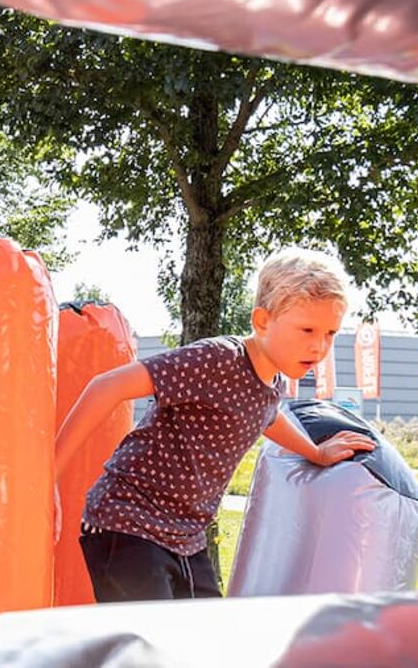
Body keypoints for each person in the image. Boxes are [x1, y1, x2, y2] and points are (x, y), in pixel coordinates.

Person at [55, 247, 376, 603]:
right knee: (149, 637)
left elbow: (268, 416)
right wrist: (48, 479)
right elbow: (106, 386)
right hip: (129, 522)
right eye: (307, 330)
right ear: (262, 321)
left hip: (185, 539)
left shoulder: (270, 383)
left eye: (330, 333)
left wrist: (315, 452)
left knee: (207, 632)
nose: (319, 346)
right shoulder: (218, 359)